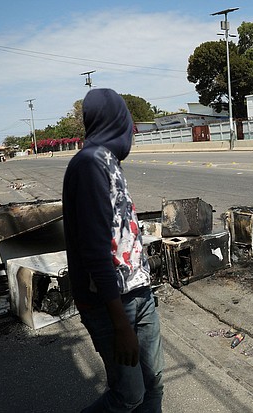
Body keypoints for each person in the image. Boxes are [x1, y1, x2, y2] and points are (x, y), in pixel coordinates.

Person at [62, 88, 165, 412]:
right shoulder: (90, 164)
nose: (131, 130)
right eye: (127, 121)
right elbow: (94, 251)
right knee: (128, 395)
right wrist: (120, 324)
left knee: (154, 384)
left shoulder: (109, 162)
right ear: (115, 122)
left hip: (139, 293)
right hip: (110, 305)